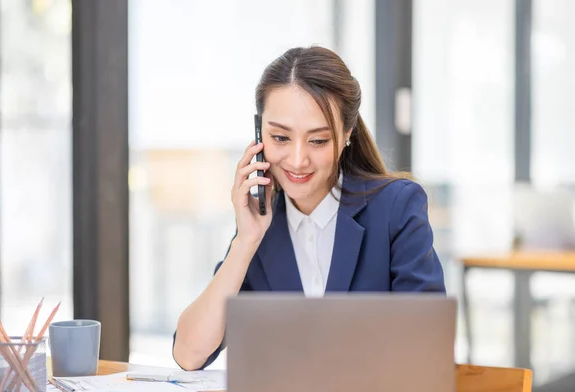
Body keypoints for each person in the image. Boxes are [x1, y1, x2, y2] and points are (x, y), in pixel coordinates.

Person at [172, 46, 446, 371]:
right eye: (280, 138)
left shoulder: (396, 208)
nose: (298, 160)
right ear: (259, 135)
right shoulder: (262, 226)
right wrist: (244, 243)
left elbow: (426, 348)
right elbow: (189, 355)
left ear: (346, 134)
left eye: (317, 141)